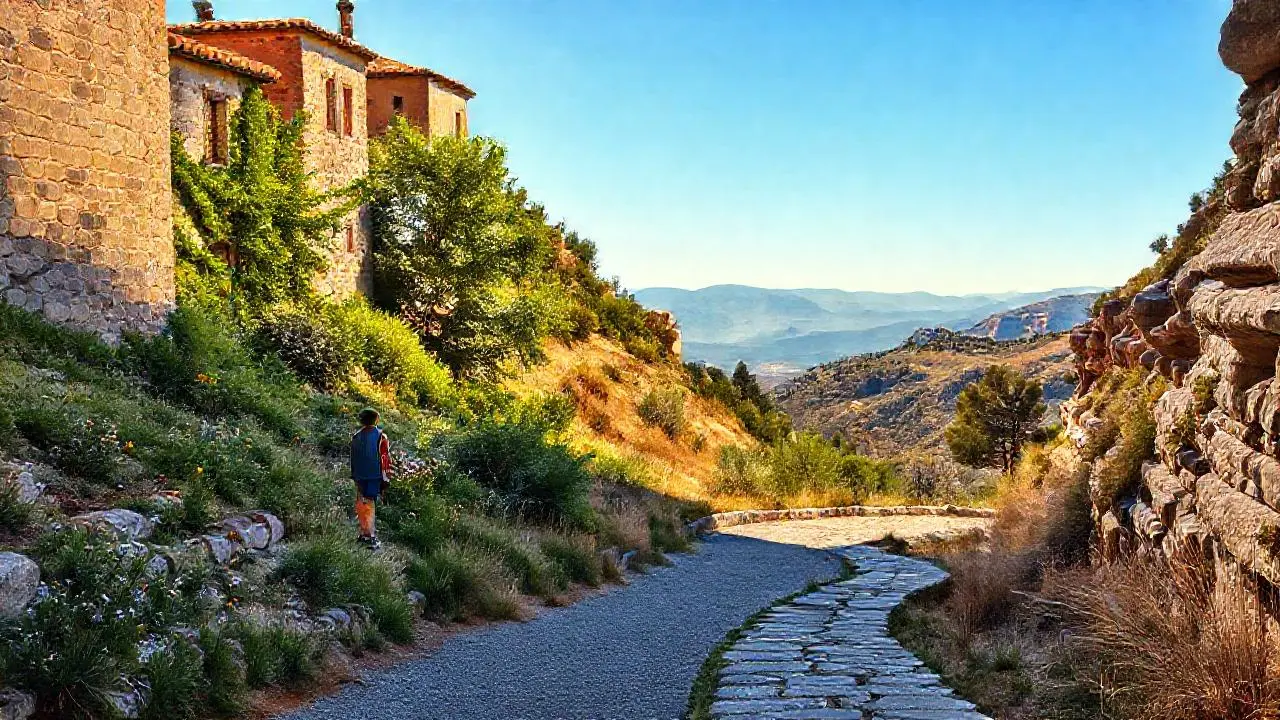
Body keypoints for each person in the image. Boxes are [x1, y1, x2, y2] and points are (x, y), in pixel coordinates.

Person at [350, 408, 391, 548]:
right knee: (370, 502)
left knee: (361, 502)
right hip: (375, 475)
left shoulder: (356, 436)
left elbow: (353, 458)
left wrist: (354, 474)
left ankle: (364, 532)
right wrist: (386, 475)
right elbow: (385, 458)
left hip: (360, 475)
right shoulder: (381, 436)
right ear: (376, 419)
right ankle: (370, 536)